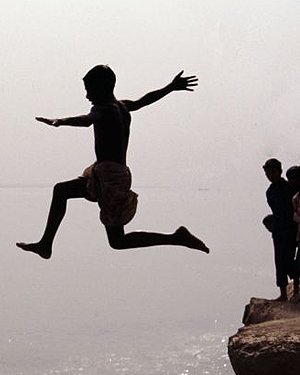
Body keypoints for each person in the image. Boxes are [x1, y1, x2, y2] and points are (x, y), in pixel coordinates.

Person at [16, 65, 209, 259]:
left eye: (89, 91)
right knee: (62, 191)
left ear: (102, 88)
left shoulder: (105, 110)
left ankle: (177, 238)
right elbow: (144, 101)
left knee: (117, 241)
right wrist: (170, 87)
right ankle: (45, 245)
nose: (87, 96)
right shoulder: (122, 106)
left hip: (111, 179)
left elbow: (87, 120)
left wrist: (60, 121)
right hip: (108, 174)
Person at [263, 158, 298, 301]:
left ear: (280, 172)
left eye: (273, 172)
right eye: (268, 173)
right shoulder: (270, 191)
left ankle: (296, 289)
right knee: (279, 260)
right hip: (278, 230)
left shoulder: (289, 188)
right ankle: (283, 293)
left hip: (291, 227)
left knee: (290, 259)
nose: (270, 175)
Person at [286, 165, 300, 299]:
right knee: (297, 263)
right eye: (290, 180)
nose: (293, 182)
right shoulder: (295, 198)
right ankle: (296, 292)